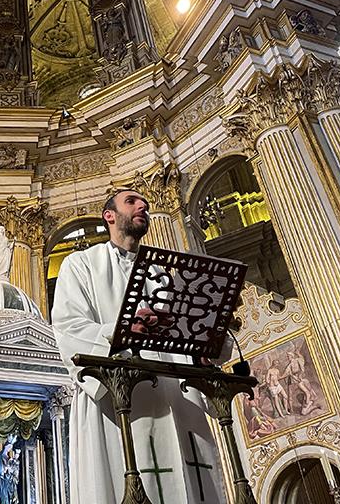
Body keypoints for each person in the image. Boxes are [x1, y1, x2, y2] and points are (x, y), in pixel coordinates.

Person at [52, 189, 227, 504]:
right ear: (109, 215)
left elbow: (178, 330)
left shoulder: (161, 273)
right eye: (131, 202)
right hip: (117, 400)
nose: (143, 205)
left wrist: (198, 345)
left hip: (173, 396)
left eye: (145, 203)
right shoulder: (80, 264)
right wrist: (122, 330)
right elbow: (69, 328)